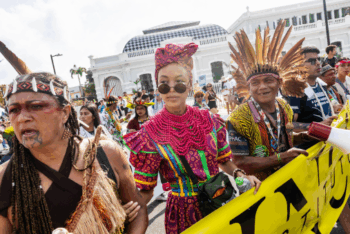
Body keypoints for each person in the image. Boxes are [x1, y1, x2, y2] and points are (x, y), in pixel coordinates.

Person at [123, 43, 260, 234]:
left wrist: (240, 175)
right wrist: (127, 210)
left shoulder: (210, 120)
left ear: (189, 85)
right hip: (183, 214)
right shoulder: (148, 134)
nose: (171, 89)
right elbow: (146, 190)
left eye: (179, 83)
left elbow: (224, 161)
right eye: (164, 84)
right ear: (158, 88)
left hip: (220, 199)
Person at [0, 72, 148, 233]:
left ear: (64, 113)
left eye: (36, 106)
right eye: (14, 110)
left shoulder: (105, 153)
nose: (22, 118)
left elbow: (138, 210)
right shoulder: (5, 177)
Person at [227, 21, 313, 181]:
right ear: (249, 86)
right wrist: (281, 158)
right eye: (255, 83)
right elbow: (240, 163)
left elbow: (284, 135)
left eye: (268, 80)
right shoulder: (239, 118)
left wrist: (310, 134)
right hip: (260, 190)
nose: (262, 87)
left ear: (279, 83)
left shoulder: (284, 106)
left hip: (290, 177)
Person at [287, 46, 337, 133]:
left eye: (318, 59)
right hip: (311, 144)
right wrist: (316, 126)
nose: (318, 63)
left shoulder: (321, 85)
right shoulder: (295, 90)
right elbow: (289, 125)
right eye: (312, 61)